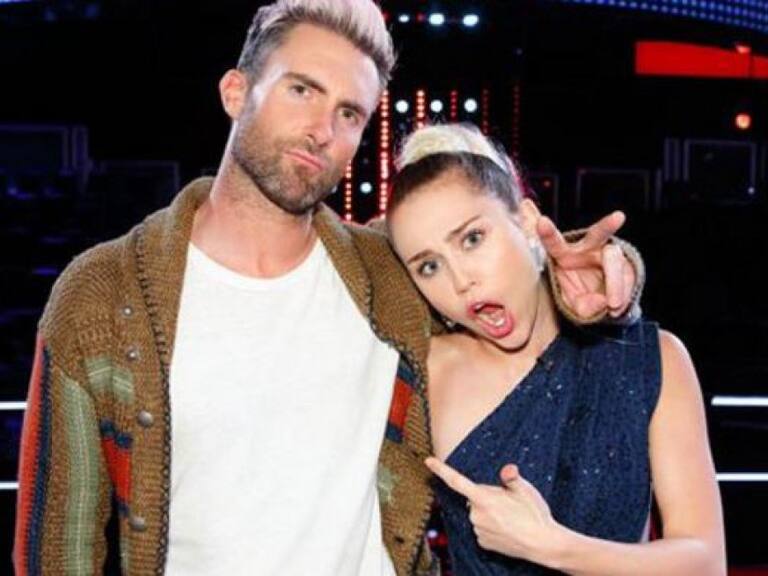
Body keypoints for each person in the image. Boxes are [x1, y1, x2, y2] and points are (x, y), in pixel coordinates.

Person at [13, 2, 643, 575]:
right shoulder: (102, 296)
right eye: (301, 90)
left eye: (349, 113)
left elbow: (502, 281)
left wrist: (603, 276)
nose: (323, 130)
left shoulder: (388, 273)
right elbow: (57, 551)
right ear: (236, 92)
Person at [385, 123, 726, 575]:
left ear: (526, 220)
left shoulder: (651, 359)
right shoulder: (421, 372)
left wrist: (552, 547)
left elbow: (706, 563)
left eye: (472, 239)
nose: (460, 281)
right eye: (429, 266)